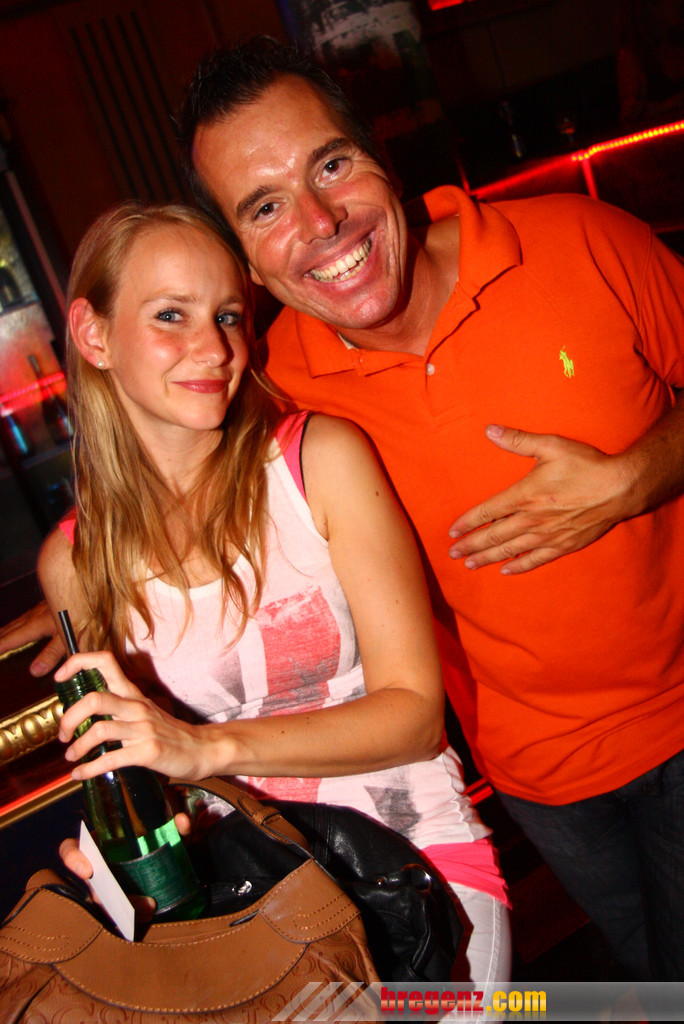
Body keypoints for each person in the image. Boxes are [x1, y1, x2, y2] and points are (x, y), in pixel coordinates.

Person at [4, 36, 683, 978]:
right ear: (247, 257)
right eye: (265, 206)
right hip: (539, 771)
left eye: (329, 165)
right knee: (651, 973)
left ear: (379, 153)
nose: (320, 221)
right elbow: (189, 490)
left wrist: (637, 475)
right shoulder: (269, 378)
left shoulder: (583, 241)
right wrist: (92, 578)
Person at [37, 200, 511, 987]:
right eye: (170, 315)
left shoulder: (316, 461)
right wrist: (128, 863)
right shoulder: (75, 561)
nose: (214, 348)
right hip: (251, 899)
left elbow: (415, 714)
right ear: (93, 335)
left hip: (412, 867)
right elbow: (140, 775)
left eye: (227, 315)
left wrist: (205, 749)